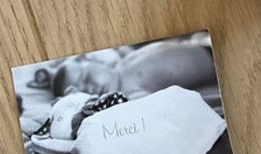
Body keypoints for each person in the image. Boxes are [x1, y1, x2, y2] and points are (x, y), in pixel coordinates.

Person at [52, 39, 221, 110]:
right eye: (84, 92)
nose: (90, 88)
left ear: (94, 62)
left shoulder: (121, 62)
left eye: (86, 78)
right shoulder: (127, 92)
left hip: (204, 43)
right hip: (214, 67)